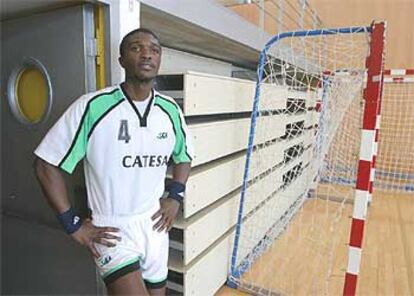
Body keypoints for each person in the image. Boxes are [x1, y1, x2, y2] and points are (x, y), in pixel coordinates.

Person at [34, 28, 193, 295]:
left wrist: (175, 196)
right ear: (121, 59)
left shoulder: (170, 110)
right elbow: (45, 163)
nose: (147, 54)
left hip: (154, 225)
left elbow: (184, 156)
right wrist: (72, 224)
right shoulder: (93, 106)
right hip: (112, 229)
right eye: (136, 47)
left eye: (154, 50)